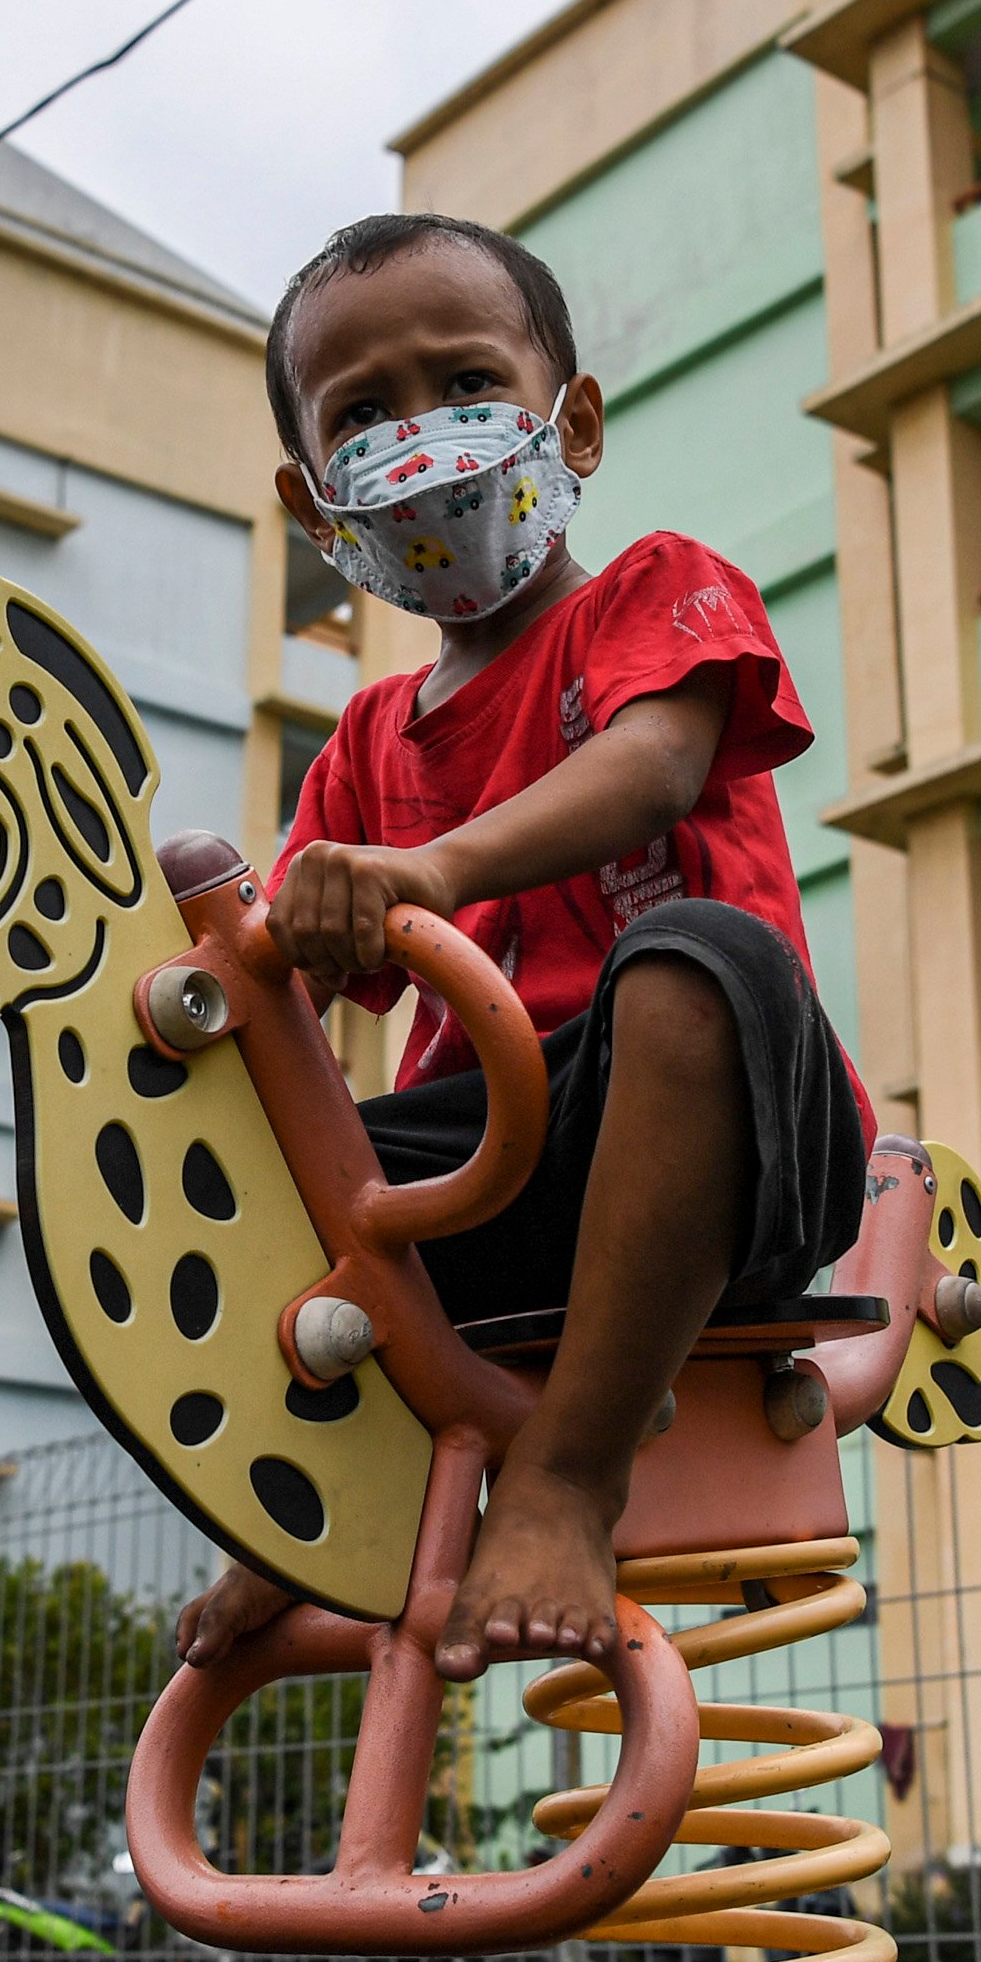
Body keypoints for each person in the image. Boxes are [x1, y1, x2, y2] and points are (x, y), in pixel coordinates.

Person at [175, 213, 870, 1688]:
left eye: (466, 383)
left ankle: (565, 1476)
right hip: (498, 1171)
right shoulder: (366, 741)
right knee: (266, 1154)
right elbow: (278, 978)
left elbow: (658, 768)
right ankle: (307, 1489)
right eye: (365, 412)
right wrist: (224, 960)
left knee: (693, 961)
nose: (421, 436)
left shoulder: (656, 594)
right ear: (317, 503)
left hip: (727, 1136)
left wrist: (427, 865)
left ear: (577, 423)